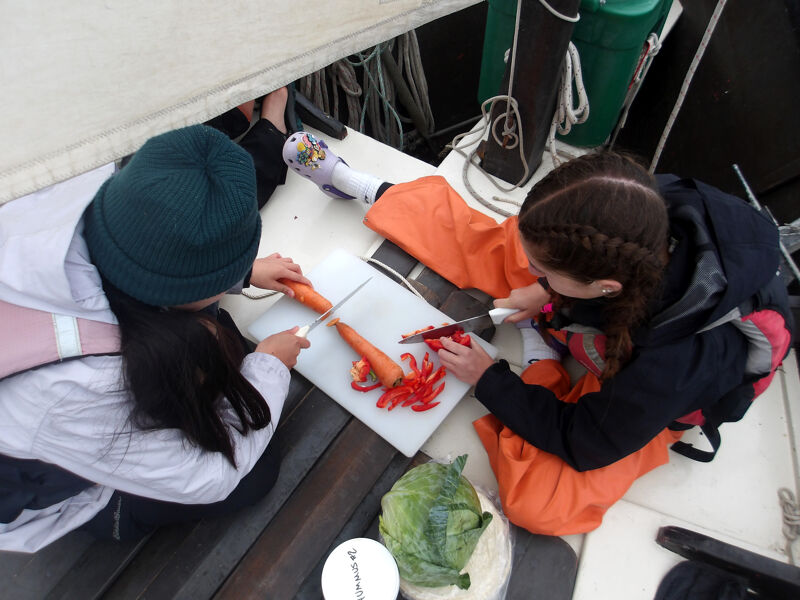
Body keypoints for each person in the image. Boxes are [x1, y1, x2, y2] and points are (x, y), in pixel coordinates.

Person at [281, 132, 794, 536]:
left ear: (605, 286)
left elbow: (583, 442)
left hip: (647, 403)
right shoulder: (640, 208)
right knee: (513, 247)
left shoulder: (668, 370)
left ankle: (539, 357)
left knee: (540, 501)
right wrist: (548, 293)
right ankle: (363, 185)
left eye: (550, 277)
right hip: (608, 308)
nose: (536, 276)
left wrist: (490, 379)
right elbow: (551, 263)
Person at [0, 96, 312, 553]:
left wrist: (238, 274)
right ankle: (116, 516)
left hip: (71, 401)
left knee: (218, 342)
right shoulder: (79, 390)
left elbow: (142, 249)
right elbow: (208, 476)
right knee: (253, 473)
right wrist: (270, 367)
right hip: (48, 483)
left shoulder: (73, 178)